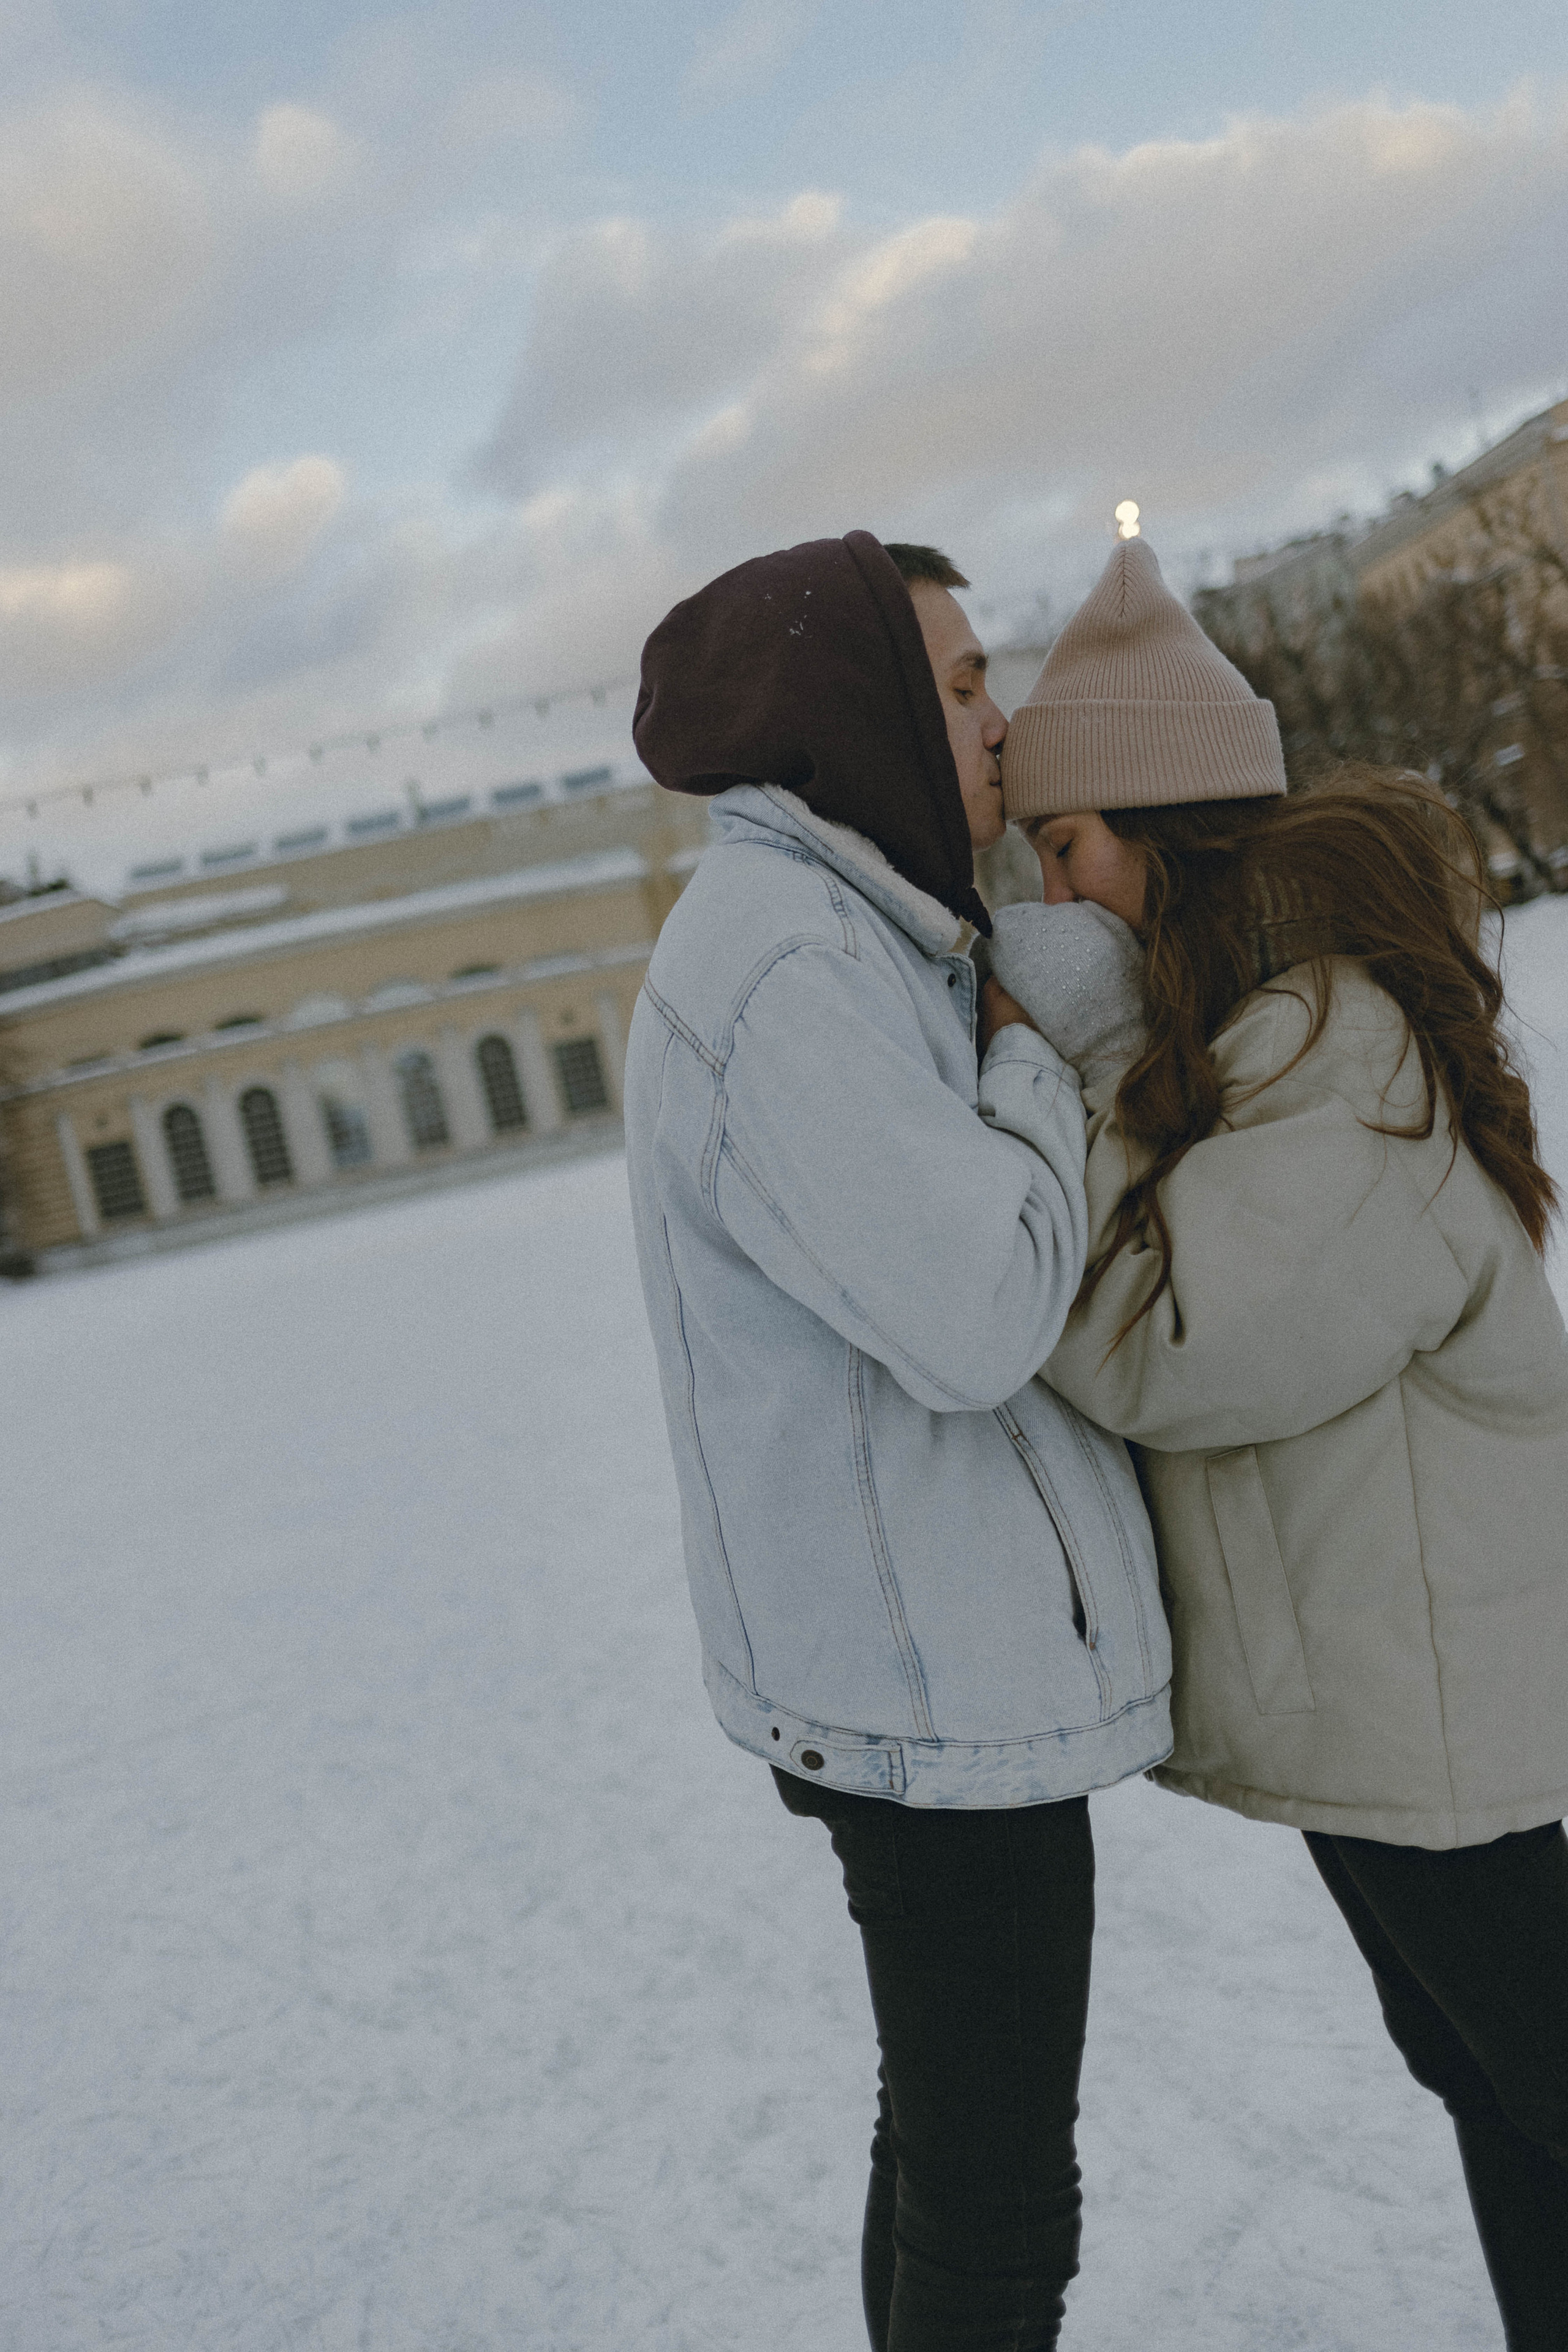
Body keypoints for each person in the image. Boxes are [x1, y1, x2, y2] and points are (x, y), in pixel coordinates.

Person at [985, 531, 1568, 2351]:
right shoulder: (1258, 1041)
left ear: (1168, 837)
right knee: (1497, 2093)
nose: (1052, 906)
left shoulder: (1340, 1051)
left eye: (1067, 854)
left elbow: (1163, 1342)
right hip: (1394, 1709)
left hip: (1453, 1717)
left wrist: (1051, 1076)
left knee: (1541, 2089)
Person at [624, 531, 1172, 2351]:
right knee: (1002, 2197)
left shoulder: (852, 925)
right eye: (956, 682)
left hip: (926, 1653)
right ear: (850, 700)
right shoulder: (789, 967)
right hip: (923, 1675)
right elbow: (972, 1312)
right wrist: (1037, 1052)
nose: (1000, 720)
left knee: (949, 2151)